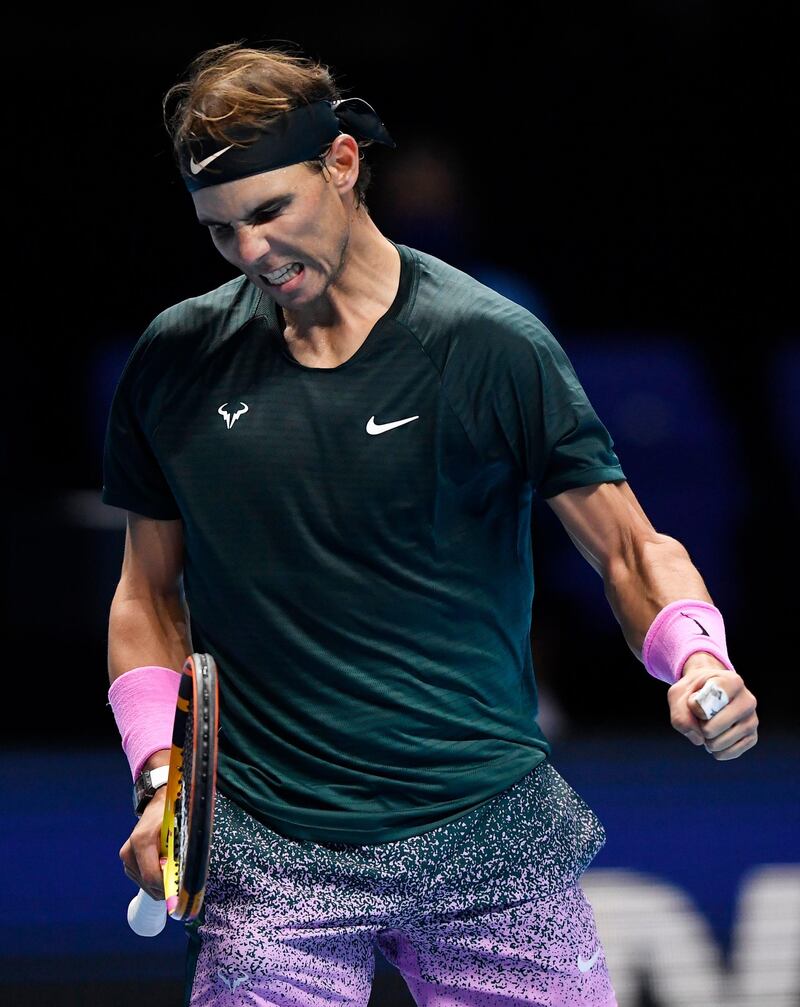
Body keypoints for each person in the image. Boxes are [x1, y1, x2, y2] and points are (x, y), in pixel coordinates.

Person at [104, 42, 758, 1007]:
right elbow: (147, 594)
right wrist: (160, 776)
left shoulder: (489, 344)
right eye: (220, 230)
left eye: (270, 211)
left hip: (486, 840)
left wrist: (696, 654)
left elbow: (629, 548)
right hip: (275, 851)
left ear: (342, 163)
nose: (251, 254)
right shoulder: (176, 361)